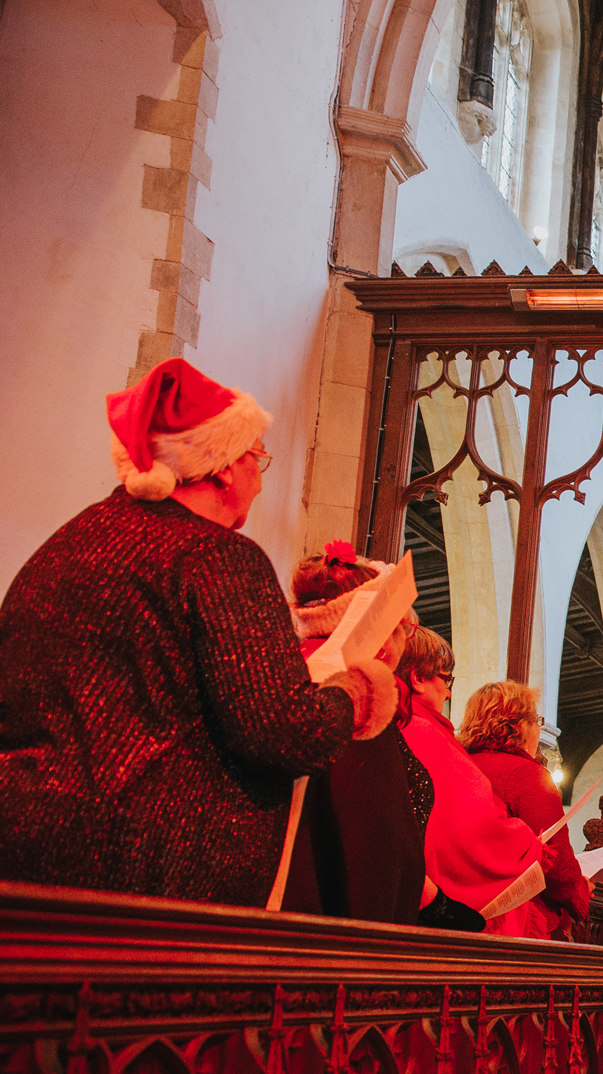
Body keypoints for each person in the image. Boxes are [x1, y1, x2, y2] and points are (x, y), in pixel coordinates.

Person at [0, 359, 396, 905]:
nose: (261, 479)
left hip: (24, 857)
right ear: (227, 467)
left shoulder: (67, 543)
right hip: (149, 878)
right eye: (260, 458)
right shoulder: (218, 558)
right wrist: (354, 694)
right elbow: (279, 730)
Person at [283, 542, 428, 923]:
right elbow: (371, 853)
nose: (405, 639)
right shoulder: (359, 702)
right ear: (381, 632)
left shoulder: (286, 677)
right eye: (404, 626)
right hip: (331, 940)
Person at [394, 628, 550, 932]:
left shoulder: (398, 724)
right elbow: (469, 825)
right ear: (418, 678)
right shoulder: (423, 732)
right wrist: (525, 842)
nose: (450, 692)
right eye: (446, 678)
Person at [459, 680, 593, 939]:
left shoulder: (458, 765)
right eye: (537, 721)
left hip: (461, 911)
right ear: (520, 725)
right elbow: (557, 864)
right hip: (513, 921)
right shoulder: (528, 776)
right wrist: (580, 896)